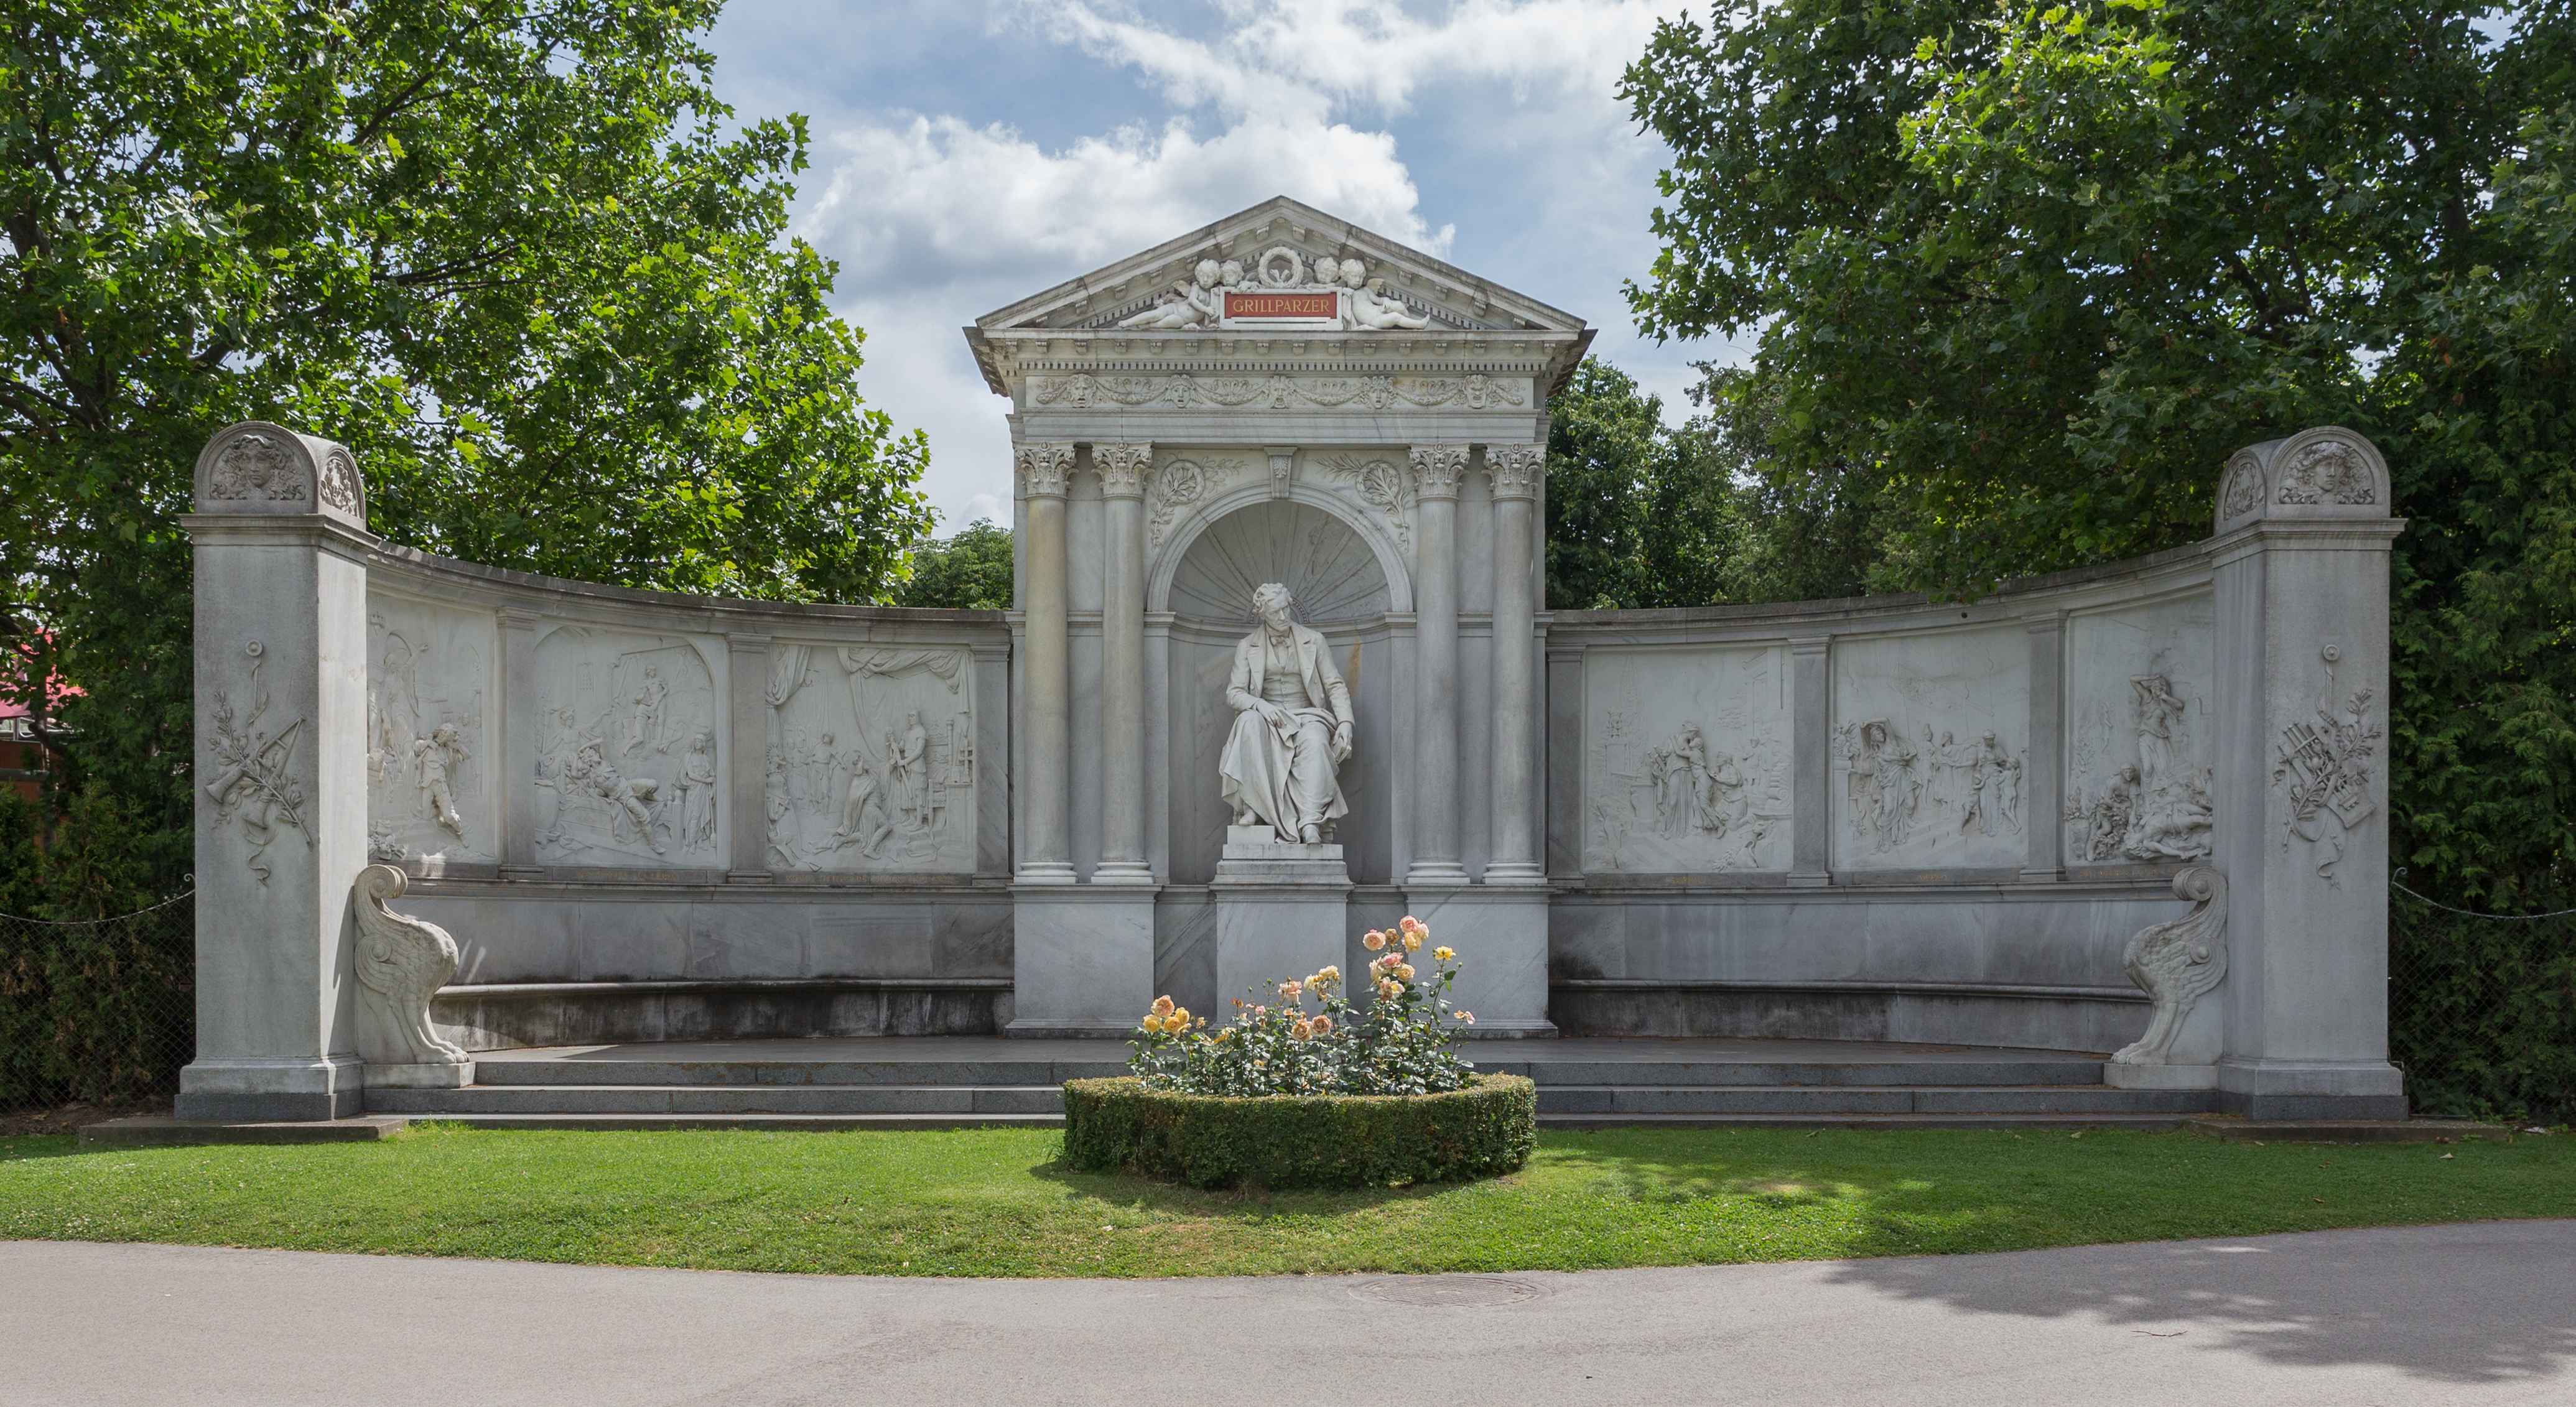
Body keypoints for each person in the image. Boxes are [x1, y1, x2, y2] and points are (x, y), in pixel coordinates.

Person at [1217, 583, 1355, 844]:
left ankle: (1310, 822)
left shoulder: (1314, 640)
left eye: (1286, 609)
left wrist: (1346, 723)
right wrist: (1261, 706)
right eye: (1276, 613)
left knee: (1315, 742)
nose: (1284, 617)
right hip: (1266, 718)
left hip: (1306, 716)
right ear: (1263, 614)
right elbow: (1234, 693)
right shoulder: (1248, 646)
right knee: (1247, 721)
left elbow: (1335, 685)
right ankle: (1254, 807)